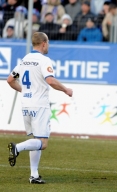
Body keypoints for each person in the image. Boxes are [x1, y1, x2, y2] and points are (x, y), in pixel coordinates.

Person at [7, 32, 73, 184]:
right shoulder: (44, 60)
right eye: (48, 42)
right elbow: (50, 80)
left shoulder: (24, 60)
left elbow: (10, 80)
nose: (48, 45)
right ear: (43, 43)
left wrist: (24, 91)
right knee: (42, 143)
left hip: (26, 105)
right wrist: (65, 89)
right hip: (39, 105)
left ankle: (34, 175)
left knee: (35, 139)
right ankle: (17, 148)